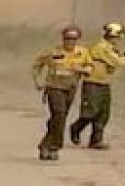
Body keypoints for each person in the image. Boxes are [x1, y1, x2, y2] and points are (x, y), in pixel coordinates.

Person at [31, 25, 93, 161]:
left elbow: (90, 66)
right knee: (59, 114)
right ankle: (54, 146)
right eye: (67, 39)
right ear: (63, 38)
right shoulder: (53, 52)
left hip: (70, 89)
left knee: (59, 118)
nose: (70, 42)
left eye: (73, 39)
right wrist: (38, 81)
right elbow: (36, 65)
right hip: (54, 88)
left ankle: (46, 144)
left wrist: (84, 69)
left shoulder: (83, 53)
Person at [69, 21, 125, 149]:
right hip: (93, 83)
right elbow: (118, 62)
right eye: (117, 37)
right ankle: (76, 128)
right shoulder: (101, 48)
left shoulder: (109, 48)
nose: (118, 40)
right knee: (90, 112)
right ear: (112, 36)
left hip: (104, 83)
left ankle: (96, 140)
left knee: (103, 113)